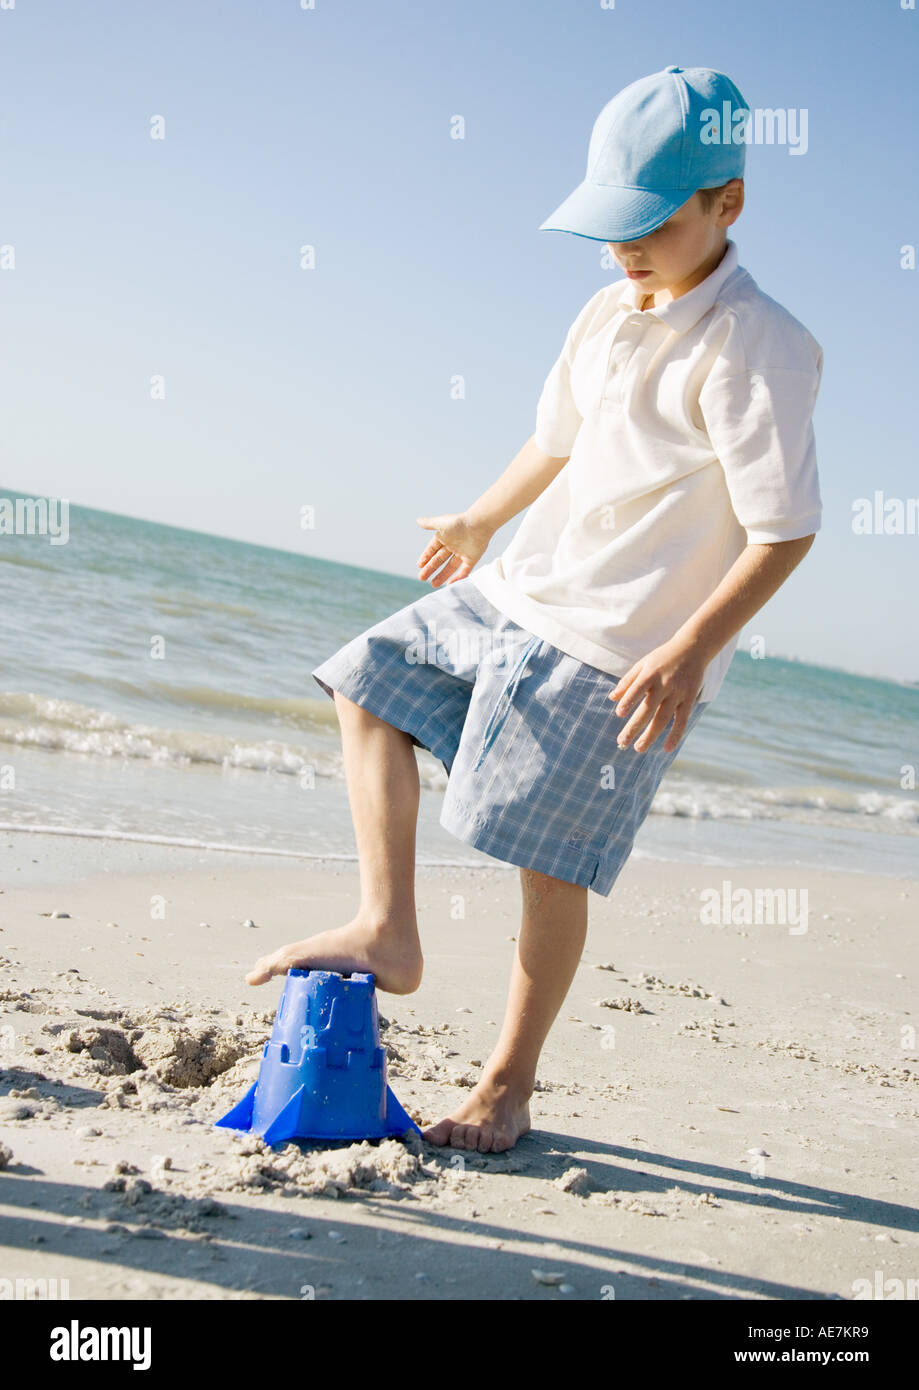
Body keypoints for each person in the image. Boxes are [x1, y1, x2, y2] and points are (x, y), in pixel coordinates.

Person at [247, 66, 823, 1153]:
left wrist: (691, 650)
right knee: (363, 679)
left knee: (543, 864)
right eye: (609, 227)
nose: (623, 251)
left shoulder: (758, 346)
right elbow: (555, 441)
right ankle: (389, 926)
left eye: (647, 225)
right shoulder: (608, 308)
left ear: (726, 204)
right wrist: (478, 520)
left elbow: (783, 528)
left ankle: (508, 1084)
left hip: (622, 645)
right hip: (520, 592)